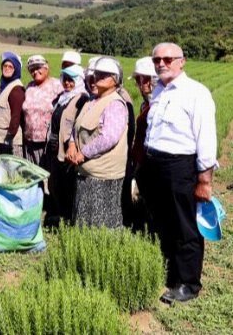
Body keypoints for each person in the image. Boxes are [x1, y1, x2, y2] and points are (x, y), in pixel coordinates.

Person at [144, 43, 217, 303]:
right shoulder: (159, 92)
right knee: (164, 222)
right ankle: (171, 273)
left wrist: (204, 180)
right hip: (156, 165)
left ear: (182, 61)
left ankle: (188, 283)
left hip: (180, 167)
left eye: (167, 59)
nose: (161, 63)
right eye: (156, 60)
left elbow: (206, 138)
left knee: (185, 225)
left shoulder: (195, 93)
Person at [67, 57, 129, 228]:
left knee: (102, 223)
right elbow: (76, 127)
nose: (99, 76)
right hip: (87, 171)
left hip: (103, 175)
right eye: (98, 73)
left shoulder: (115, 104)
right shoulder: (92, 101)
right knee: (84, 219)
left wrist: (82, 154)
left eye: (105, 74)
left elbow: (108, 137)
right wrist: (72, 144)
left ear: (115, 80)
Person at [43, 65, 89, 226]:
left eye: (71, 80)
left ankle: (70, 219)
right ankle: (62, 215)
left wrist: (72, 144)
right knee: (56, 183)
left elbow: (78, 123)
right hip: (56, 146)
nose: (68, 83)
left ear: (79, 81)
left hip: (68, 148)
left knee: (67, 184)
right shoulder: (64, 96)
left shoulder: (82, 98)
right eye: (65, 79)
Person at [126, 56, 157, 231]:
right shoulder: (146, 103)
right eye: (137, 80)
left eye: (140, 79)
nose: (138, 84)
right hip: (142, 161)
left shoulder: (158, 104)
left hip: (151, 163)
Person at [22, 55, 63, 166]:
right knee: (32, 173)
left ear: (46, 68)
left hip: (47, 141)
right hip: (29, 139)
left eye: (38, 68)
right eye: (32, 69)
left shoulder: (57, 85)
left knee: (47, 173)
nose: (35, 71)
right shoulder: (30, 86)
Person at [0, 52, 25, 157]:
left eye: (11, 66)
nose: (7, 68)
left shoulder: (16, 89)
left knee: (14, 171)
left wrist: (9, 137)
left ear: (16, 70)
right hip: (0, 137)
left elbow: (16, 115)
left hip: (11, 140)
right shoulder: (2, 87)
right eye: (5, 66)